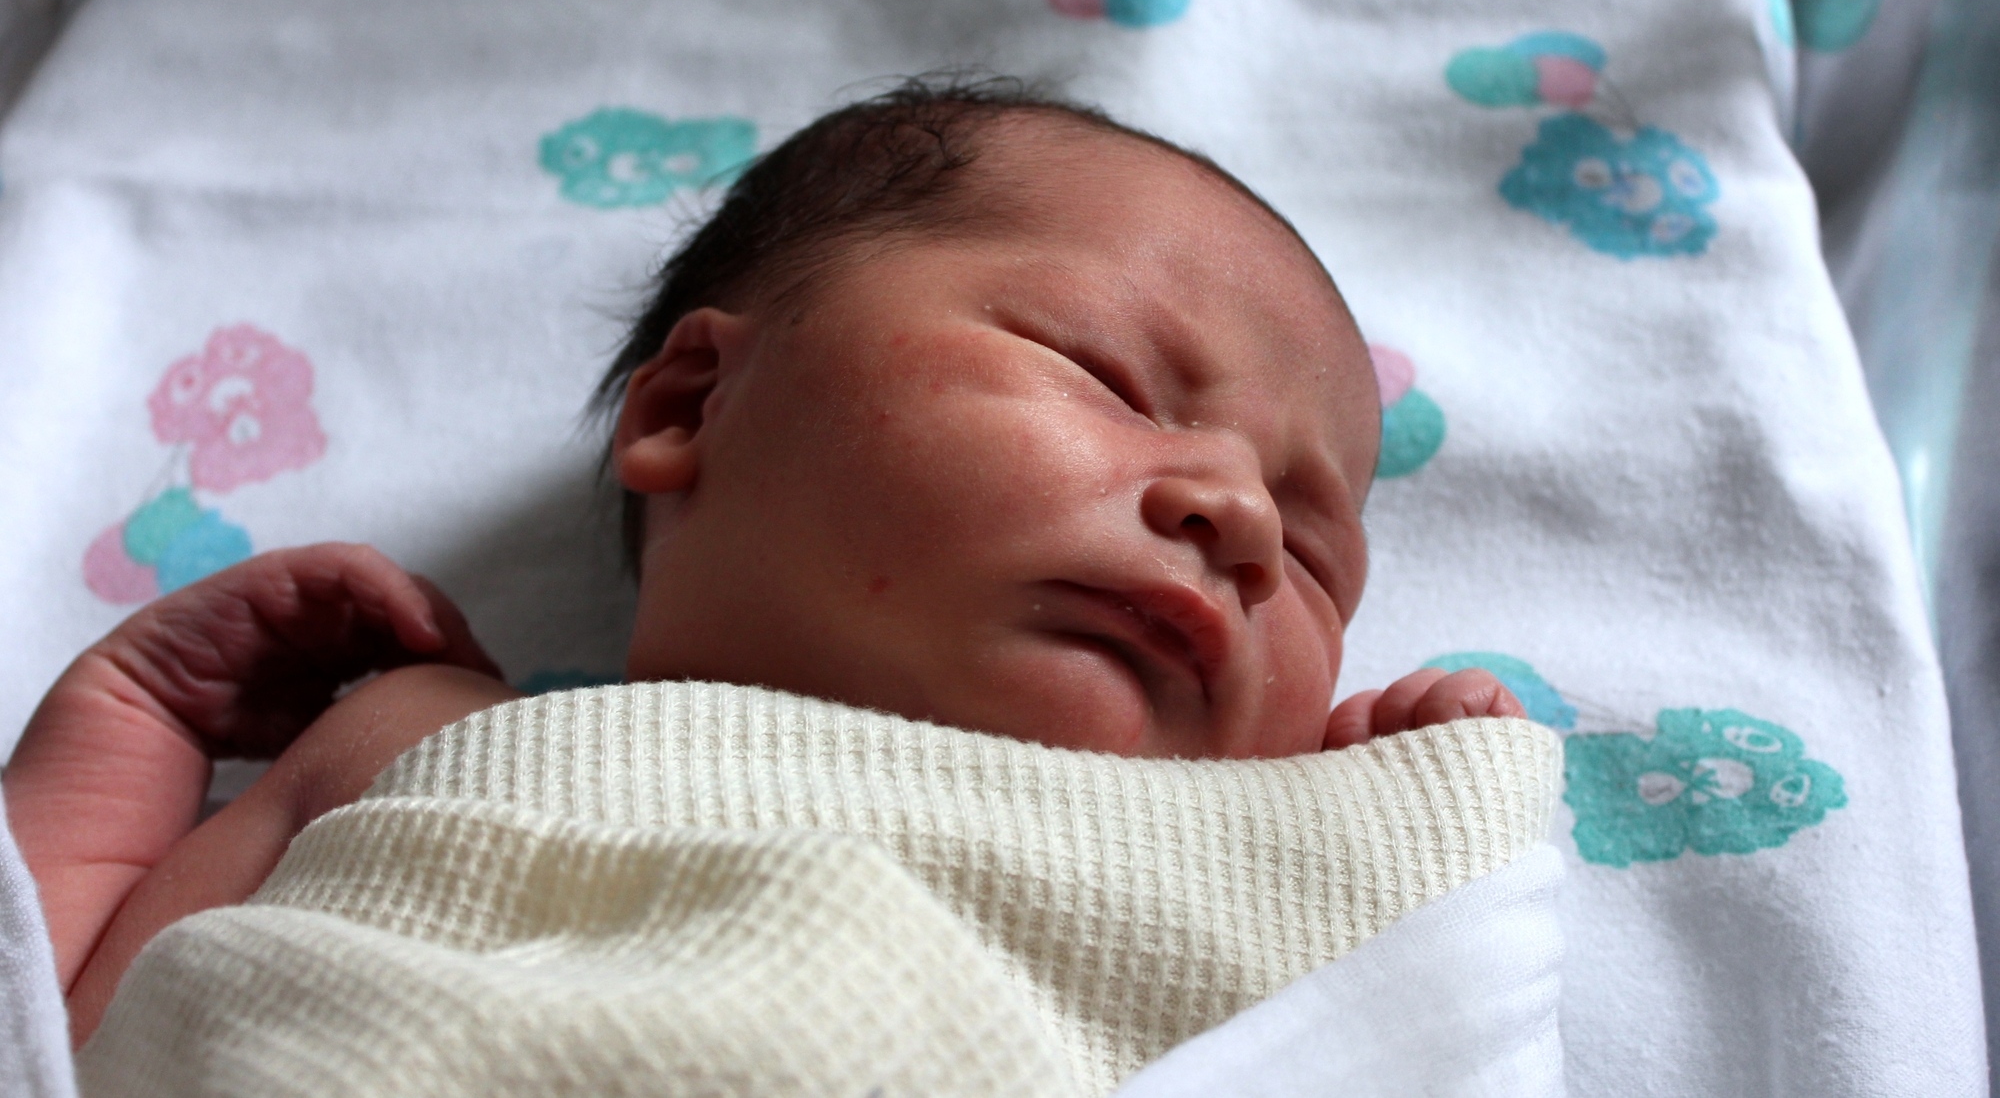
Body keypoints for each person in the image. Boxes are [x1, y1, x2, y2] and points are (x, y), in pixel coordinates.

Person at [4, 80, 1524, 1046]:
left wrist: (1399, 842)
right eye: (1112, 379)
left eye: (1318, 550)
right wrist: (129, 726)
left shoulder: (1226, 855)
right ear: (692, 403)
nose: (1239, 516)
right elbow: (56, 1033)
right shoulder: (413, 732)